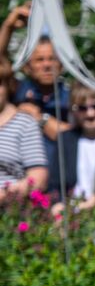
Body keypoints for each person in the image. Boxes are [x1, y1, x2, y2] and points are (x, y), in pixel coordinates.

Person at [0, 56, 49, 199]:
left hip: (9, 211)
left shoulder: (25, 123)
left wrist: (5, 195)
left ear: (8, 85)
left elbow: (38, 177)